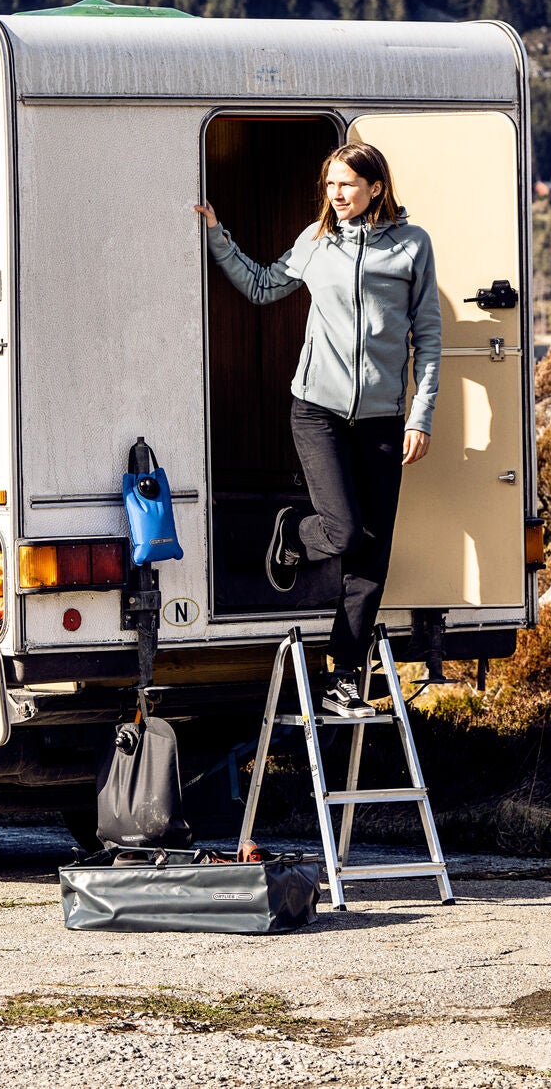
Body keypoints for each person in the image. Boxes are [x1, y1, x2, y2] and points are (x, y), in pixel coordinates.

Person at [195, 142, 441, 718]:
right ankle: (294, 536)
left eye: (347, 184)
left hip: (382, 418)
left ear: (376, 187)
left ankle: (345, 680)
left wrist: (420, 416)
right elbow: (261, 285)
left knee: (371, 558)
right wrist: (215, 233)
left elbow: (427, 340)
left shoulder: (412, 246)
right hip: (316, 410)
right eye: (330, 184)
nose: (336, 194)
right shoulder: (316, 241)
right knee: (346, 530)